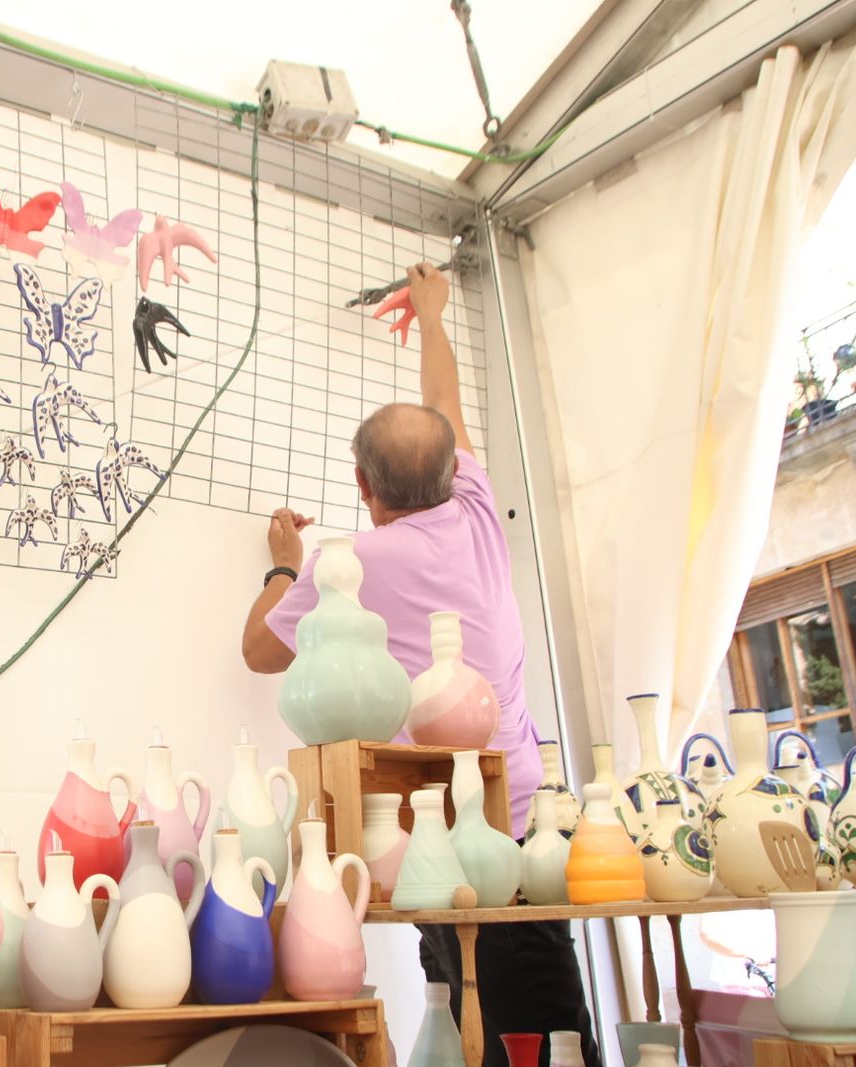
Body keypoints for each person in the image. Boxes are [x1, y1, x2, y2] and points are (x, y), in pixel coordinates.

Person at [241, 262, 602, 1067]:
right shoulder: (478, 514)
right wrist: (433, 316)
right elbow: (445, 407)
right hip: (520, 829)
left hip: (445, 845)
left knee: (521, 1042)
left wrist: (282, 562)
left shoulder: (350, 563)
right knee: (516, 1035)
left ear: (364, 486)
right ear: (451, 476)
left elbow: (260, 649)